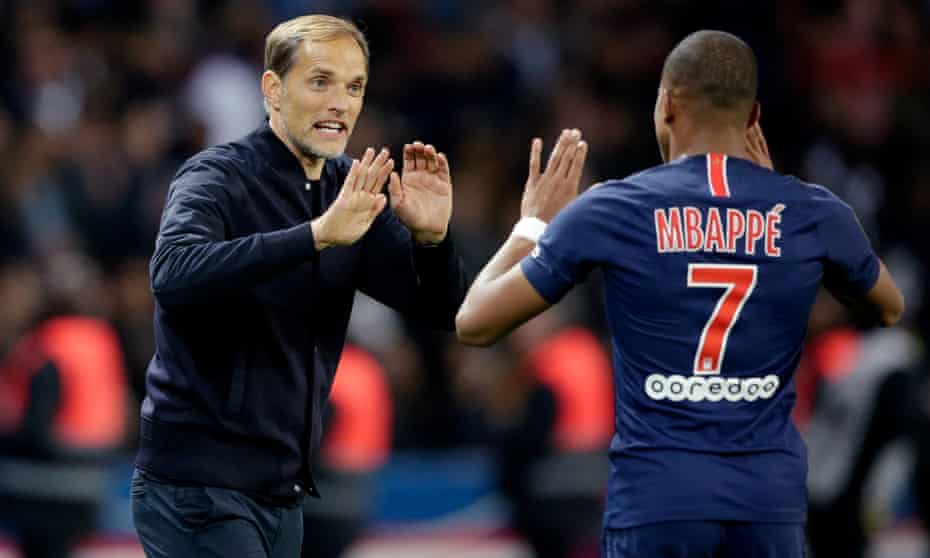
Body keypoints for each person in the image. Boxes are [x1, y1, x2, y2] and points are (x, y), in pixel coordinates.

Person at [455, 30, 905, 557]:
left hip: (656, 503)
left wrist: (531, 226)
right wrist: (781, 211)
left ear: (666, 105)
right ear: (753, 118)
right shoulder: (812, 212)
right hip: (767, 507)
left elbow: (474, 321)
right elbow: (889, 307)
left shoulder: (613, 209)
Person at [131, 15, 468, 557]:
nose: (341, 102)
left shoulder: (350, 188)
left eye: (353, 86)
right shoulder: (216, 177)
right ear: (273, 89)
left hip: (282, 495)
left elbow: (442, 312)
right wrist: (313, 237)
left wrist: (433, 241)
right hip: (198, 490)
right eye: (320, 81)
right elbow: (172, 273)